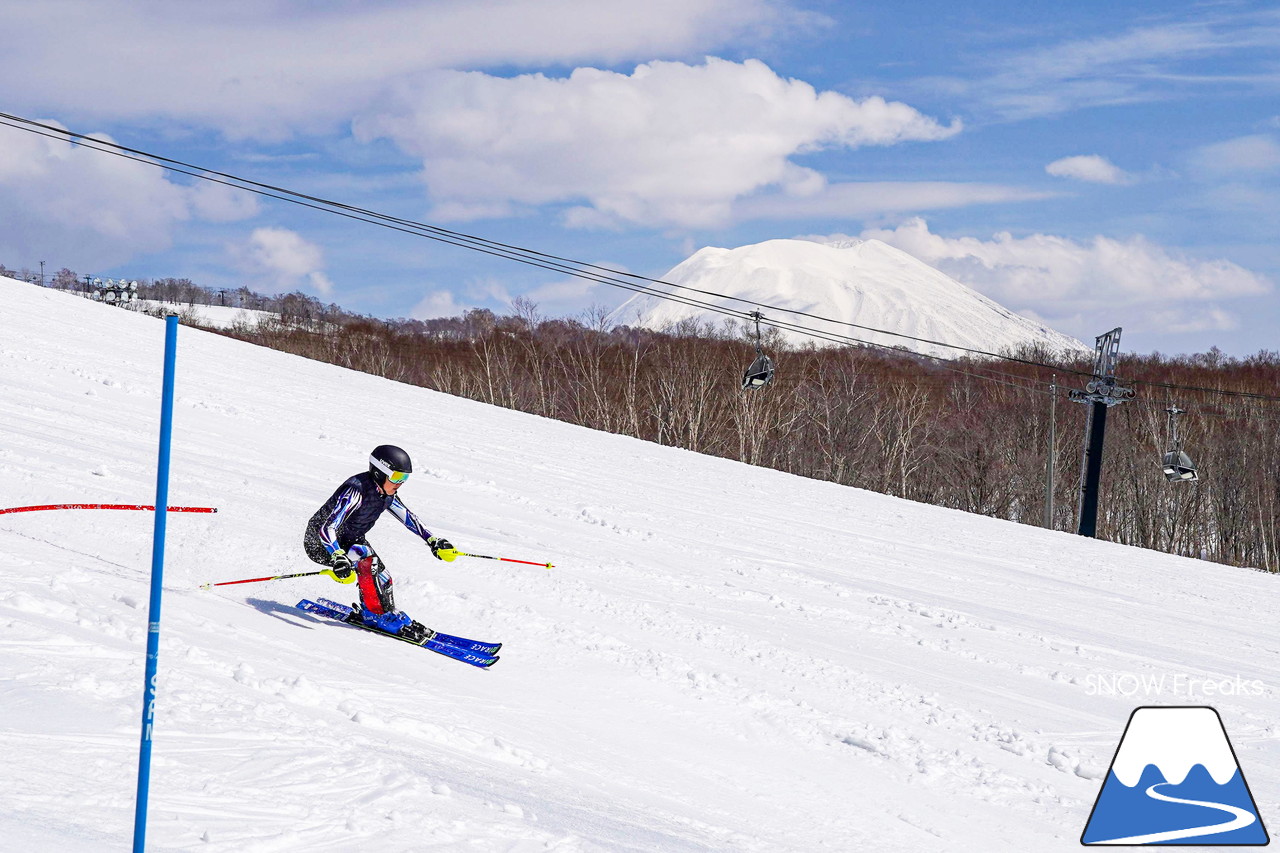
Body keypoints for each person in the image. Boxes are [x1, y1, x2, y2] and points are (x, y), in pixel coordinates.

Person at [303, 444, 458, 641]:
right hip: (321, 543)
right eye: (396, 477)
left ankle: (387, 612)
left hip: (350, 541)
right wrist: (338, 556)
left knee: (384, 577)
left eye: (405, 478)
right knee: (368, 562)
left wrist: (432, 540)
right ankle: (375, 615)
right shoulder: (356, 490)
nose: (400, 483)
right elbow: (327, 528)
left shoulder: (386, 494)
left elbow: (407, 517)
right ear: (379, 472)